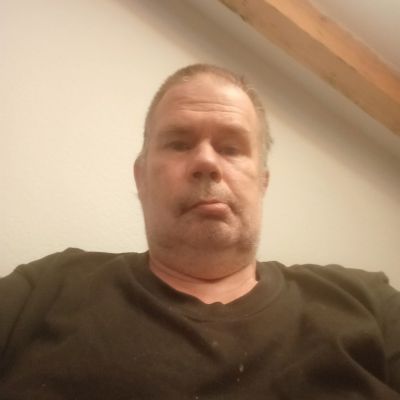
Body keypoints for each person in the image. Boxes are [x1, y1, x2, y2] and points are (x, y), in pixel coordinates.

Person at [0, 64, 399, 399]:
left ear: (262, 182)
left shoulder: (370, 304)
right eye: (178, 143)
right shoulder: (45, 288)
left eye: (231, 148)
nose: (206, 161)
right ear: (141, 178)